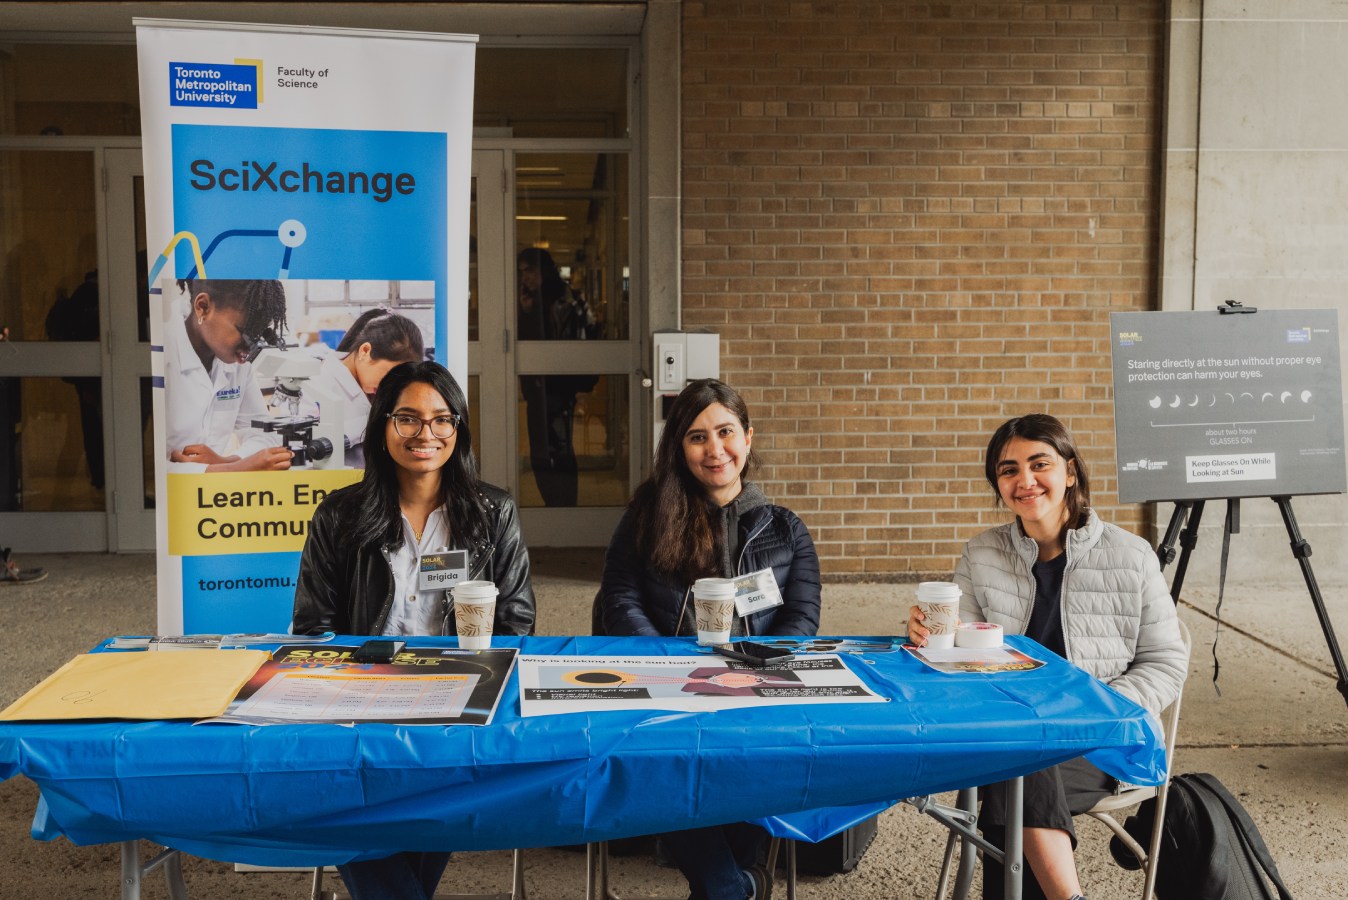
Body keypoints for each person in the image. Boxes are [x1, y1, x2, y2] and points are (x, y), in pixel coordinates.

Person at [907, 413, 1188, 900]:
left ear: (1070, 471)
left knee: (1012, 765)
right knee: (1017, 753)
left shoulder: (1132, 555)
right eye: (1008, 470)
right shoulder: (982, 554)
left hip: (1103, 736)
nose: (1025, 480)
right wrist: (931, 639)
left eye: (1040, 464)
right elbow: (953, 659)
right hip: (1007, 732)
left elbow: (1165, 662)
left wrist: (1093, 707)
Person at [291, 360, 536, 899]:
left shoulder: (493, 513)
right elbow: (312, 628)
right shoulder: (340, 515)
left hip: (458, 704)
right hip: (360, 707)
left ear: (457, 429)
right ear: (382, 425)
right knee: (364, 803)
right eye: (407, 419)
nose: (425, 434)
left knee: (429, 802)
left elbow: (517, 620)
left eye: (441, 420)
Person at [597, 377, 821, 900]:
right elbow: (620, 602)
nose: (714, 449)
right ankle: (732, 884)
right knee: (663, 754)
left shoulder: (785, 529)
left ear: (748, 436)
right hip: (665, 686)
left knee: (757, 748)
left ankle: (726, 882)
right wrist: (674, 671)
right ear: (679, 447)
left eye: (725, 432)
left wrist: (751, 674)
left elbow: (802, 621)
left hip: (755, 685)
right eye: (697, 437)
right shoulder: (647, 517)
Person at [163, 278, 293, 472]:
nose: (250, 346)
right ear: (203, 307)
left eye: (258, 334)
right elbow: (149, 467)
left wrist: (226, 461)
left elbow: (263, 434)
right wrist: (236, 468)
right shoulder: (162, 355)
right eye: (245, 332)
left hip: (220, 495)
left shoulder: (237, 364)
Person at [516, 247, 597, 507]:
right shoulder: (533, 298)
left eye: (529, 270)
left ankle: (562, 508)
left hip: (556, 388)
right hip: (540, 386)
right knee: (546, 449)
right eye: (522, 272)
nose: (525, 277)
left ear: (543, 270)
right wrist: (526, 310)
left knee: (556, 449)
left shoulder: (561, 299)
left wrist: (529, 311)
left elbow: (554, 342)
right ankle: (557, 507)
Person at [303, 309, 424, 468]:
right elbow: (306, 447)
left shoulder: (381, 387)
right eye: (387, 376)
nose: (388, 387)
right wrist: (371, 422)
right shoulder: (314, 385)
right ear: (365, 351)